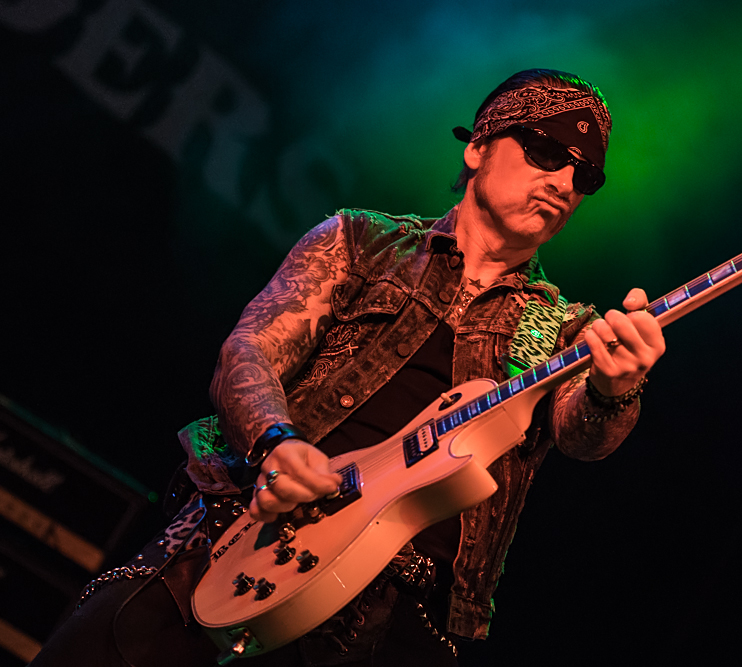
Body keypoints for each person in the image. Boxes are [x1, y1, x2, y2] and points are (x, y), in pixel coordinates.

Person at [30, 68, 665, 667]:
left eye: (585, 175)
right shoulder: (362, 242)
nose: (563, 182)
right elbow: (247, 353)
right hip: (245, 537)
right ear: (478, 147)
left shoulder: (564, 330)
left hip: (398, 617)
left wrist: (615, 388)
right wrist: (275, 444)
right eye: (545, 152)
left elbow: (584, 435)